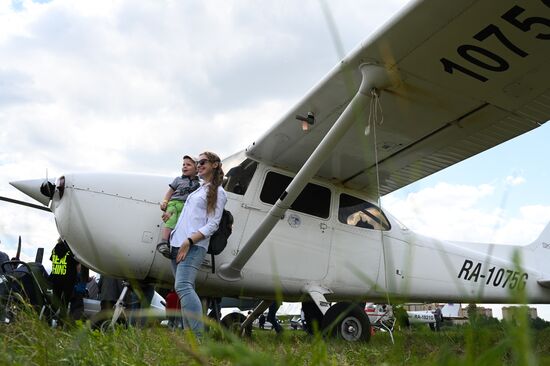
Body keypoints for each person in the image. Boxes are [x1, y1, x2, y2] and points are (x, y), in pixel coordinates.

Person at [172, 151, 227, 338]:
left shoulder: (219, 192)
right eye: (198, 162)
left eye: (203, 161)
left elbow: (213, 224)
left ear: (214, 165)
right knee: (184, 289)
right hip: (178, 243)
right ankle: (190, 336)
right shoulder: (199, 189)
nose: (199, 164)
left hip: (192, 246)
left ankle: (198, 338)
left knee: (183, 286)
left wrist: (188, 241)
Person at [156, 155, 200, 260]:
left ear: (197, 168)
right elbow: (169, 192)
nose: (184, 166)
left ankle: (177, 245)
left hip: (186, 207)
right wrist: (165, 202)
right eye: (183, 164)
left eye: (188, 165)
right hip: (174, 204)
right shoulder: (178, 180)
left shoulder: (198, 184)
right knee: (171, 221)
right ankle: (163, 242)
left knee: (181, 225)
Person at [49, 238, 78, 321]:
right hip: (68, 281)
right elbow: (77, 263)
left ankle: (50, 321)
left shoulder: (55, 249)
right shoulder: (71, 249)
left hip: (55, 279)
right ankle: (61, 323)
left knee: (54, 303)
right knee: (65, 304)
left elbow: (52, 260)